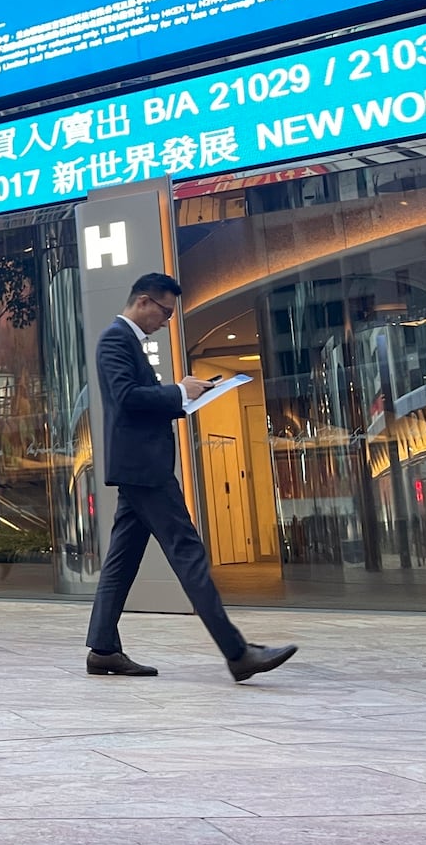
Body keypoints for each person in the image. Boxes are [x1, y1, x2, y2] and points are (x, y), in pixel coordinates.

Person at [85, 272, 298, 683]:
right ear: (144, 302)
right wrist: (179, 391)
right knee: (188, 553)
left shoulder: (126, 340)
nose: (165, 322)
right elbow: (126, 399)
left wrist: (185, 395)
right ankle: (237, 653)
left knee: (121, 561)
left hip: (139, 467)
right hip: (144, 469)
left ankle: (104, 650)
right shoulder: (115, 338)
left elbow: (136, 401)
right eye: (164, 312)